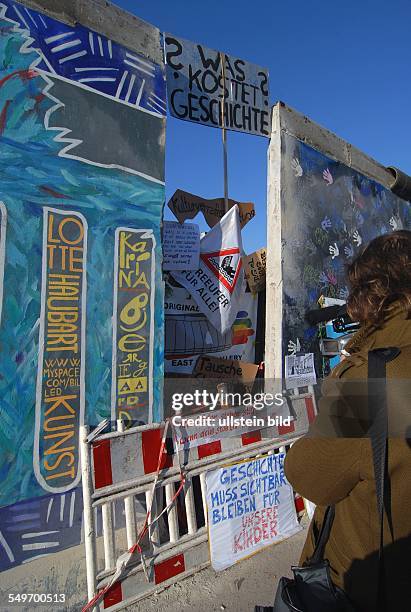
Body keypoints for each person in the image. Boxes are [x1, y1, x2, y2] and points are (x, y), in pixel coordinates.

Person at [284, 230, 411, 611]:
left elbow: (307, 474)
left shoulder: (371, 383)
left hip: (371, 586)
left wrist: (343, 385)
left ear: (372, 296)